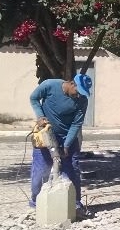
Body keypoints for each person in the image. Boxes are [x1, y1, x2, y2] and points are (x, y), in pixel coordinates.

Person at [29, 73, 92, 216]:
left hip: (67, 138)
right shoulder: (50, 85)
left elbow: (76, 124)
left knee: (72, 172)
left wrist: (67, 145)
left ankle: (74, 204)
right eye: (77, 92)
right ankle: (35, 204)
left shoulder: (82, 100)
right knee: (40, 171)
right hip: (46, 135)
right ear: (72, 84)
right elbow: (33, 98)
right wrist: (40, 116)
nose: (78, 96)